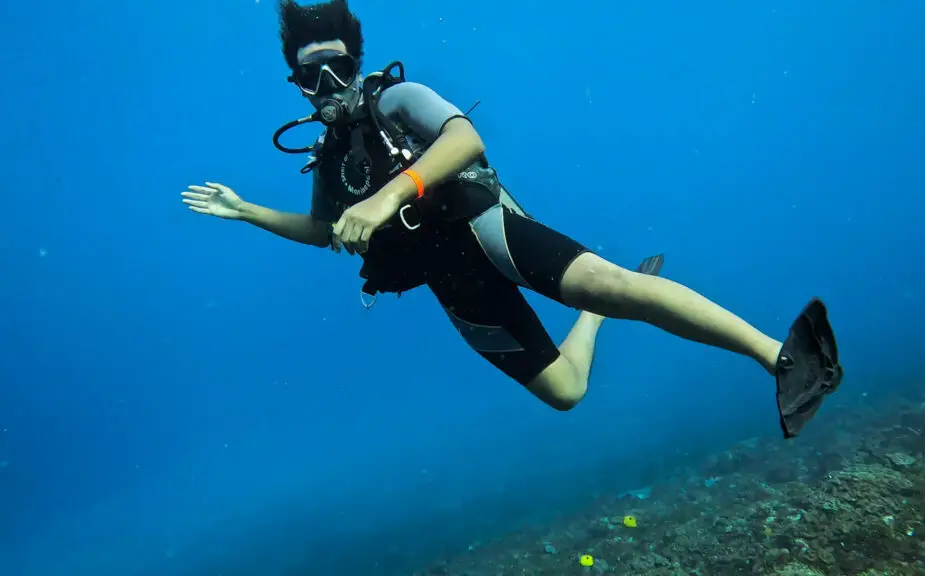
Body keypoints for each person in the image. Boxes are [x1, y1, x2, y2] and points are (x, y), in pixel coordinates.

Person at [181, 0, 843, 438]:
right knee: (565, 393)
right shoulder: (330, 160)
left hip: (487, 231)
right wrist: (245, 212)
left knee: (613, 284)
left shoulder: (397, 98)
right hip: (450, 282)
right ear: (295, 85)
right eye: (310, 77)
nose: (327, 86)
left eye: (339, 68)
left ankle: (781, 358)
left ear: (359, 61)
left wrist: (387, 198)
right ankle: (591, 321)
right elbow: (324, 231)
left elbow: (465, 140)